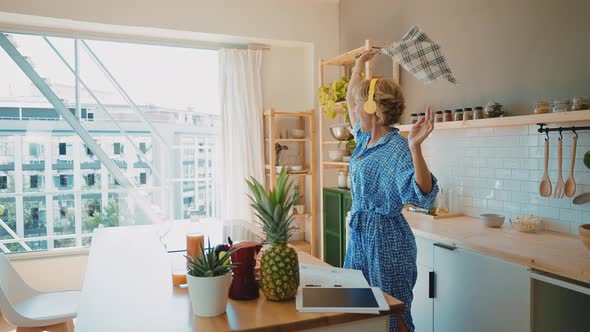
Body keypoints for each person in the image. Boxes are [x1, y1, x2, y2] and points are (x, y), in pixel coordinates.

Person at [343, 50, 439, 332]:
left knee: (391, 313)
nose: (355, 106)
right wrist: (359, 65)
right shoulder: (364, 139)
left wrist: (415, 147)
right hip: (360, 234)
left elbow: (423, 193)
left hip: (387, 240)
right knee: (359, 307)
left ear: (373, 108)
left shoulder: (398, 148)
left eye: (361, 102)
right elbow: (351, 96)